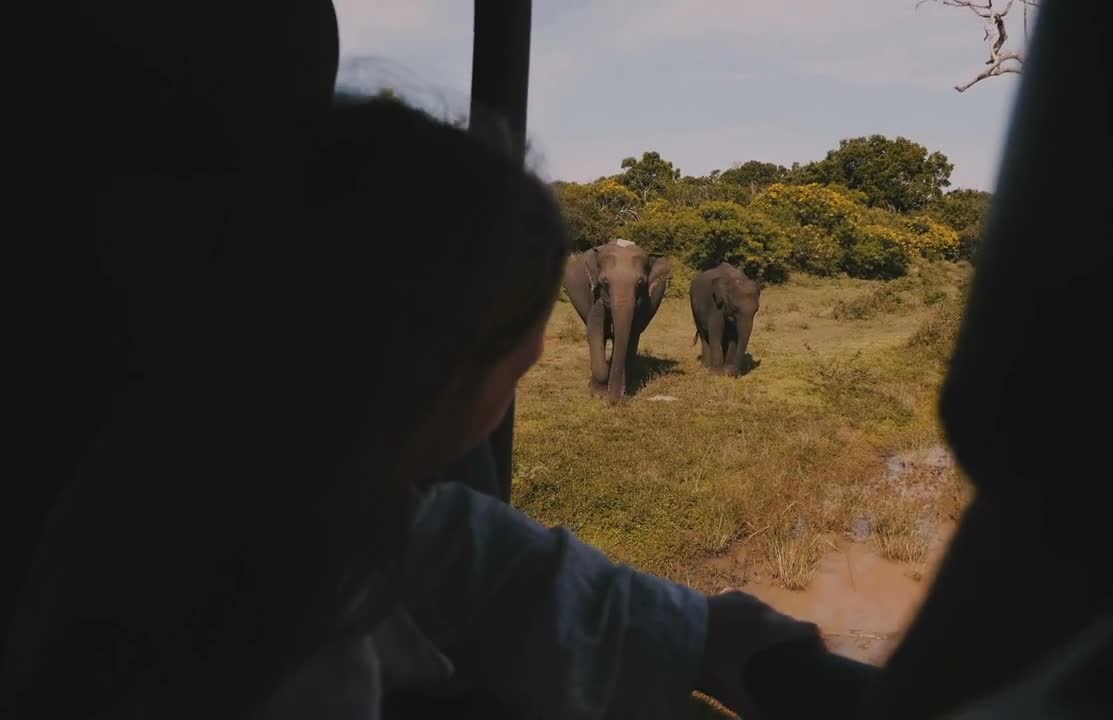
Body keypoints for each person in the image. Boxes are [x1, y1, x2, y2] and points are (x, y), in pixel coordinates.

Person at [3, 92, 819, 720]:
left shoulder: (241, 489)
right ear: (433, 370)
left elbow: (466, 556)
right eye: (516, 369)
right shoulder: (265, 633)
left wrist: (691, 631)